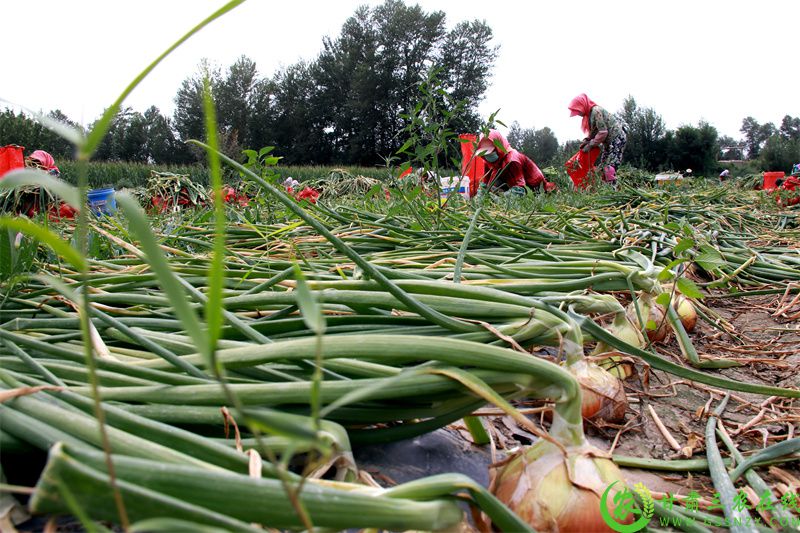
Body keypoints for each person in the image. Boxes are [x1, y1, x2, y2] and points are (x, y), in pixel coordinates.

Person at [568, 94, 627, 187]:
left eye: (578, 111)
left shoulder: (596, 111)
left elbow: (603, 132)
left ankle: (612, 189)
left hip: (617, 138)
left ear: (582, 105)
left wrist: (590, 144)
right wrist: (587, 140)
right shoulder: (589, 115)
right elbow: (594, 132)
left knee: (610, 165)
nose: (578, 114)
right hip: (608, 142)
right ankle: (605, 187)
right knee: (603, 165)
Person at [474, 129, 555, 196]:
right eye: (485, 154)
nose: (488, 156)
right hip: (509, 180)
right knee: (494, 186)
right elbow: (485, 185)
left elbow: (520, 189)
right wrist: (480, 196)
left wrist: (501, 197)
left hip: (534, 184)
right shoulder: (488, 161)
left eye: (491, 152)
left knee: (538, 195)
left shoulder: (512, 160)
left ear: (498, 147)